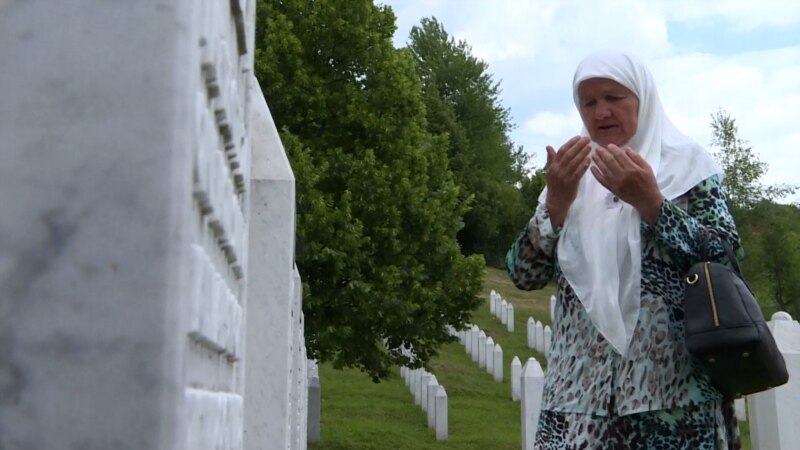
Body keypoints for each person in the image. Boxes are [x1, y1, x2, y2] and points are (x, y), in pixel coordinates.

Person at [506, 51, 743, 449]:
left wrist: (654, 206)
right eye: (589, 102)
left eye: (614, 97)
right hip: (577, 403)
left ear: (642, 98)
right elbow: (523, 275)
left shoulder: (687, 167)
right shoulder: (570, 176)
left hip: (674, 402)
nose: (600, 113)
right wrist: (556, 208)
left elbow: (727, 260)